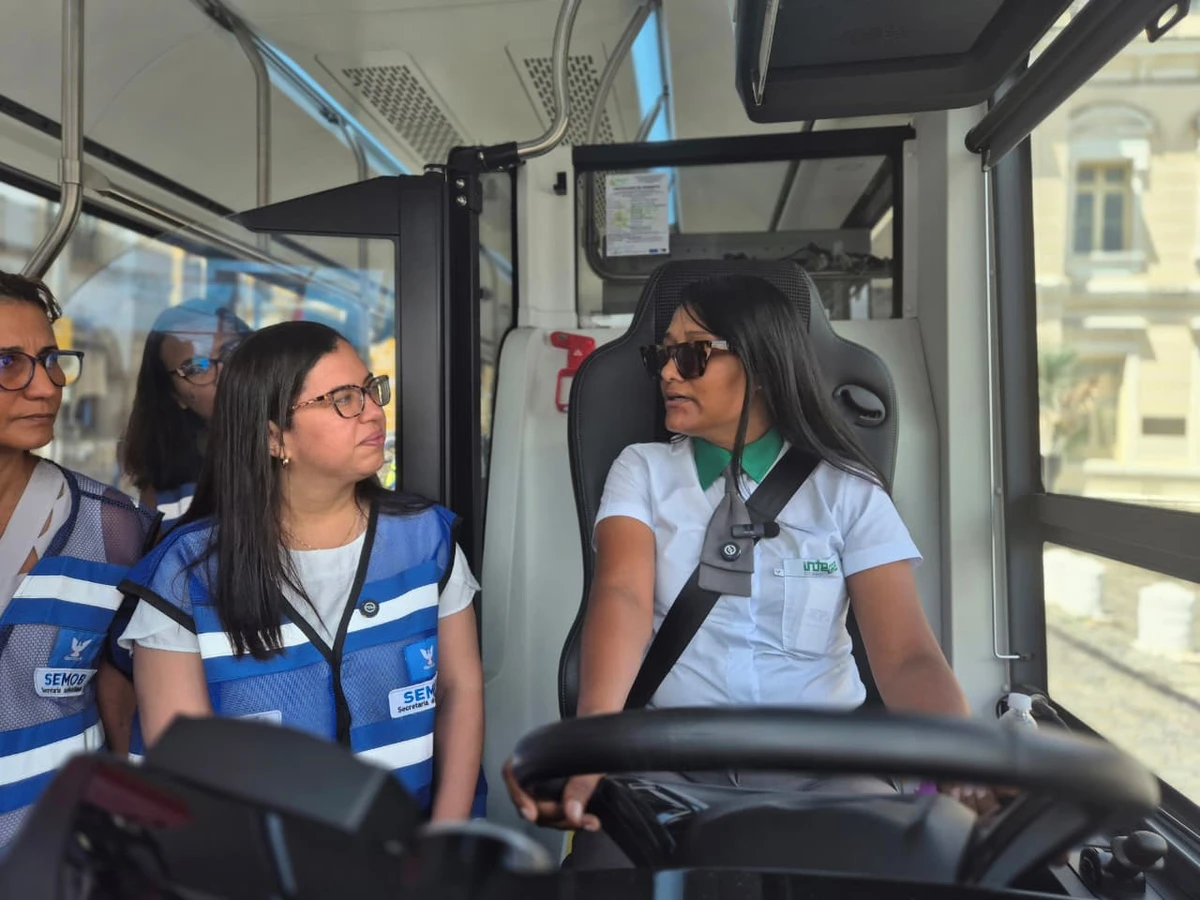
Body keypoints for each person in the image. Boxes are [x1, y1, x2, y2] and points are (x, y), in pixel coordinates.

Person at [503, 274, 979, 865]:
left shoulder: (848, 493)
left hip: (823, 776)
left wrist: (966, 761)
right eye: (663, 355)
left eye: (692, 353)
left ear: (762, 365)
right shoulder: (642, 472)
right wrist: (592, 741)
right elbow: (622, 593)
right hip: (666, 767)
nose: (668, 373)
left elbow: (906, 655)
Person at [118, 321, 486, 821]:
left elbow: (460, 689)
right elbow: (181, 769)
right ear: (273, 437)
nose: (374, 411)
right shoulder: (186, 575)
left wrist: (445, 840)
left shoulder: (425, 542)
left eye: (370, 390)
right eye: (343, 399)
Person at [0, 272, 157, 851]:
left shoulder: (114, 528)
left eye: (49, 360)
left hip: (64, 859)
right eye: (7, 364)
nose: (46, 387)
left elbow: (122, 695)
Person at [121, 300, 250, 533]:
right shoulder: (169, 502)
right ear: (174, 395)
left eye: (231, 351)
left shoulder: (309, 448)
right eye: (196, 368)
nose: (224, 374)